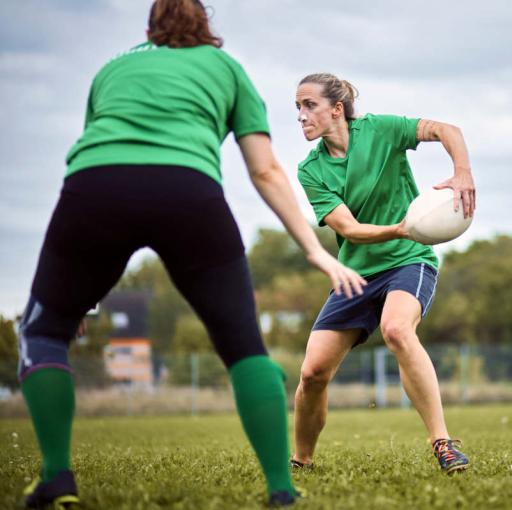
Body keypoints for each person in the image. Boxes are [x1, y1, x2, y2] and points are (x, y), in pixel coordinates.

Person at [16, 1, 365, 508]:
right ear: (206, 26)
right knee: (245, 345)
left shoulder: (112, 69)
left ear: (149, 29)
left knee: (43, 332)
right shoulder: (227, 69)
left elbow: (102, 147)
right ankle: (281, 490)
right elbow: (265, 170)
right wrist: (315, 250)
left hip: (94, 190)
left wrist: (80, 301)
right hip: (188, 192)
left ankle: (56, 479)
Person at [290, 73, 476, 474]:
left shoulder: (380, 130)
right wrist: (401, 227)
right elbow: (351, 229)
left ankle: (442, 443)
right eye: (298, 108)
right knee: (312, 373)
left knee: (396, 329)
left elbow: (448, 130)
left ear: (336, 109)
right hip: (355, 273)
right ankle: (302, 459)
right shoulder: (311, 170)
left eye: (309, 105)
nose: (301, 116)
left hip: (409, 259)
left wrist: (462, 172)